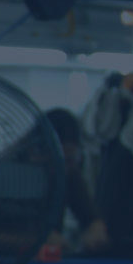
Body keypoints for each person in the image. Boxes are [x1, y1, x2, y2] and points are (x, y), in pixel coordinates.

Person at [45, 109, 110, 254]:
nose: (65, 167)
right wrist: (36, 240)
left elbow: (91, 218)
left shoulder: (70, 173)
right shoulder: (9, 173)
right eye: (60, 160)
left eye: (71, 159)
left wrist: (96, 231)